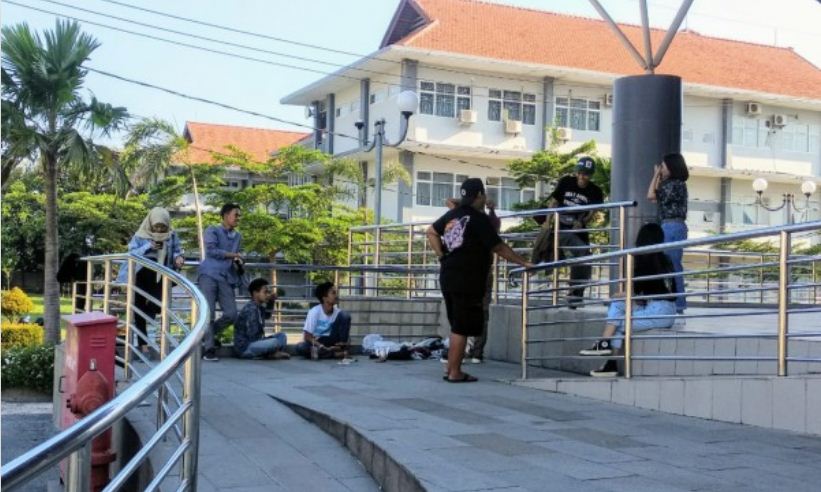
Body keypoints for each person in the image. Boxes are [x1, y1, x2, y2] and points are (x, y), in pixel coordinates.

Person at [428, 178, 533, 383]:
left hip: (448, 274)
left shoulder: (453, 214)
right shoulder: (478, 218)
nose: (485, 199)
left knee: (456, 323)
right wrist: (523, 263)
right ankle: (455, 372)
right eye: (483, 195)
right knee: (462, 326)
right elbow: (499, 247)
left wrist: (441, 255)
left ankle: (450, 368)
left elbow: (431, 231)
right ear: (479, 196)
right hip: (467, 278)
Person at [579, 223, 678, 377]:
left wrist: (620, 294)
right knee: (618, 305)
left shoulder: (644, 260)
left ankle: (609, 358)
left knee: (619, 322)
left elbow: (635, 292)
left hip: (659, 312)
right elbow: (648, 293)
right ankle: (604, 347)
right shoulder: (665, 259)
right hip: (660, 307)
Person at [117, 207, 185, 355]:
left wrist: (179, 258)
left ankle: (150, 332)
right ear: (150, 223)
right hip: (141, 275)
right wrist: (149, 246)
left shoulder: (172, 235)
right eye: (157, 226)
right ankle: (143, 346)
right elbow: (132, 253)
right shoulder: (140, 235)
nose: (159, 230)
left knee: (160, 306)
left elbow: (177, 251)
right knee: (139, 308)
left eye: (163, 226)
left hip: (161, 275)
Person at [446, 196, 501, 364]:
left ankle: (475, 351)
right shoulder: (465, 219)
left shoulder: (485, 221)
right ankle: (466, 351)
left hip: (480, 273)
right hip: (466, 272)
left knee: (480, 311)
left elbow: (496, 234)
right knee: (464, 311)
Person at [545, 157, 604, 307]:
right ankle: (573, 294)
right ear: (576, 173)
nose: (582, 177)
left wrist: (583, 221)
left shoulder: (595, 191)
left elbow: (593, 210)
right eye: (580, 173)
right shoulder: (566, 182)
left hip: (579, 228)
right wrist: (548, 221)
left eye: (586, 175)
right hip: (562, 226)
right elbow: (554, 202)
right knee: (582, 253)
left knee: (585, 259)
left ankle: (576, 295)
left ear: (591, 175)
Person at [199, 203, 243, 362]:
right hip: (209, 274)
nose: (238, 218)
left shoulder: (238, 236)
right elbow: (210, 250)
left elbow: (236, 256)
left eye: (239, 215)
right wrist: (231, 255)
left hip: (226, 277)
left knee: (231, 314)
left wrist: (237, 261)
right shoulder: (212, 230)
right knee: (208, 313)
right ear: (225, 215)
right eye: (235, 215)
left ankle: (205, 336)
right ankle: (209, 348)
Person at [647, 152, 689, 316]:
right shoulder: (677, 184)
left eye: (663, 167)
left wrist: (655, 174)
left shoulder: (671, 185)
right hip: (675, 226)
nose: (661, 170)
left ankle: (678, 303)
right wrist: (658, 176)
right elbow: (655, 196)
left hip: (671, 226)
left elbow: (650, 195)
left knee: (671, 265)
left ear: (671, 167)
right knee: (671, 264)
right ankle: (677, 303)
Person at [233, 278, 290, 360]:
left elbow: (267, 315)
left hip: (256, 342)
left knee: (282, 336)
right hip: (245, 348)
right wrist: (266, 342)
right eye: (265, 292)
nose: (267, 295)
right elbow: (252, 337)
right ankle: (269, 354)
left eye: (268, 292)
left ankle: (271, 353)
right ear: (255, 293)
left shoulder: (258, 307)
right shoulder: (251, 309)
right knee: (274, 342)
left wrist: (271, 301)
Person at [295, 282, 351, 359]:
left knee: (345, 315)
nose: (336, 296)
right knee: (300, 347)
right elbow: (307, 336)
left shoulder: (339, 314)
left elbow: (344, 336)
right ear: (324, 298)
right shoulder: (314, 312)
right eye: (333, 293)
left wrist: (342, 345)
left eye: (336, 293)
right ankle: (335, 354)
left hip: (333, 342)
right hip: (318, 342)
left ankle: (335, 351)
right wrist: (321, 346)